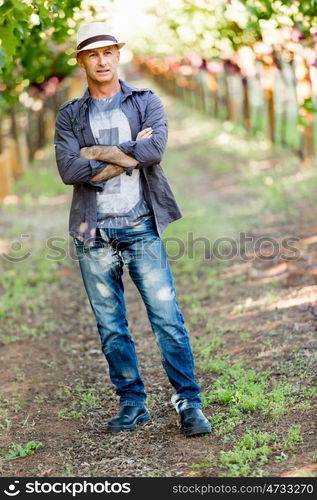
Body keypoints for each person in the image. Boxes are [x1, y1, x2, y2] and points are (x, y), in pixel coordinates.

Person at [54, 22, 211, 437]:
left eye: (108, 52)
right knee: (110, 327)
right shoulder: (70, 114)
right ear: (81, 61)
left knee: (167, 318)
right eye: (92, 54)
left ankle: (188, 402)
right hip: (94, 234)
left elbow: (154, 150)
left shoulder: (145, 102)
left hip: (141, 226)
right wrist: (130, 154)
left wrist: (96, 155)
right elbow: (69, 169)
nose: (101, 60)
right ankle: (132, 404)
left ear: (118, 55)